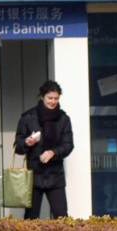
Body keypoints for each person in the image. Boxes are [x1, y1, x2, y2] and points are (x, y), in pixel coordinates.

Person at [14, 80, 74, 219]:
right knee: (31, 218)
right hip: (33, 175)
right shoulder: (28, 118)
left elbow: (68, 145)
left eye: (56, 99)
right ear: (42, 97)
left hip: (55, 175)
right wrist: (26, 142)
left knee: (61, 217)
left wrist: (53, 152)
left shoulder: (63, 119)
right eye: (50, 98)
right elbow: (18, 146)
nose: (53, 102)